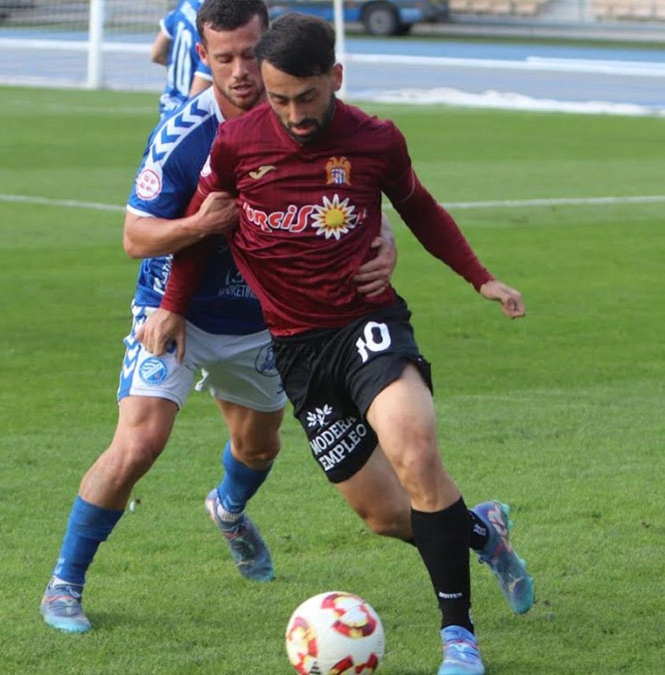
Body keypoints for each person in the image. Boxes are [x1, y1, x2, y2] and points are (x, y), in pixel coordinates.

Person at [156, 13, 533, 675]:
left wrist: (481, 277)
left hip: (368, 325)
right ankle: (484, 532)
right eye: (279, 99)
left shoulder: (375, 139)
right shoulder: (236, 146)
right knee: (388, 514)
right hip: (299, 352)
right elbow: (204, 232)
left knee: (415, 448)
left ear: (335, 77)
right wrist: (170, 307)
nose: (295, 113)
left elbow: (419, 207)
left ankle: (459, 640)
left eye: (307, 96)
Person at [38, 0, 398, 635]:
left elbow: (359, 189)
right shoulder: (184, 132)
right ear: (202, 56)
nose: (239, 72)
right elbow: (135, 237)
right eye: (222, 57)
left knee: (257, 446)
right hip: (171, 313)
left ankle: (228, 510)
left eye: (249, 55)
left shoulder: (307, 120)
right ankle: (65, 582)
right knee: (139, 442)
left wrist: (385, 238)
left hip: (264, 318)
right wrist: (196, 227)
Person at [151, 0, 212, 122]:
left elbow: (157, 54)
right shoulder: (213, 16)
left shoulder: (185, 4)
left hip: (169, 111)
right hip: (188, 119)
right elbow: (196, 102)